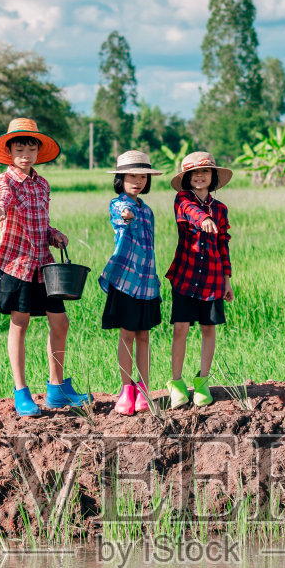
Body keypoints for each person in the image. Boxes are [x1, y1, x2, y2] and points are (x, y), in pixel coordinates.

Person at [0, 117, 91, 417]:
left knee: (60, 323)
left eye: (31, 149)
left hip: (45, 267)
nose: (26, 155)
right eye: (20, 149)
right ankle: (21, 393)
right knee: (20, 323)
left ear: (37, 152)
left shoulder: (42, 184)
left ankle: (56, 389)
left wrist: (53, 234)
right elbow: (2, 199)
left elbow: (41, 223)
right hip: (17, 264)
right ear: (9, 151)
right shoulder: (4, 181)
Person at [164, 151, 234, 410]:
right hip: (186, 275)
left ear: (213, 176)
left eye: (205, 171)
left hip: (213, 277)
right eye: (194, 173)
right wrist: (203, 218)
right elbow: (190, 211)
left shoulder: (221, 209)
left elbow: (223, 244)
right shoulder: (182, 199)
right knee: (180, 328)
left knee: (208, 328)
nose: (199, 176)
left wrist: (227, 280)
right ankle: (176, 383)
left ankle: (203, 382)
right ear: (187, 178)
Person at [97, 150, 165, 416]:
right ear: (120, 179)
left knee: (144, 335)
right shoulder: (118, 205)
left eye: (143, 177)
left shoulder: (147, 211)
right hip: (126, 280)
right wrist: (127, 215)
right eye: (132, 176)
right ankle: (127, 389)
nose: (137, 181)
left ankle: (144, 388)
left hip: (146, 281)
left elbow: (150, 247)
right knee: (126, 334)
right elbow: (122, 216)